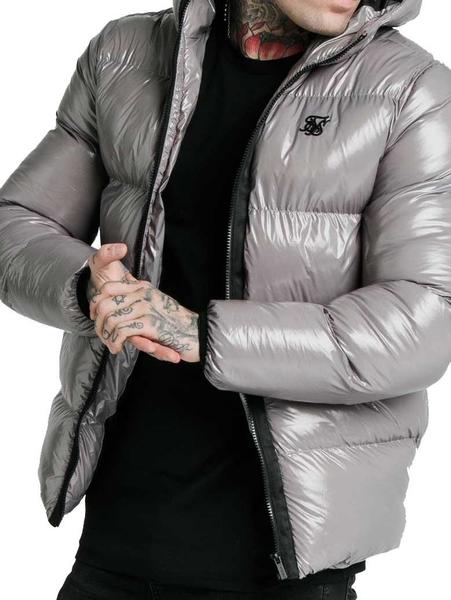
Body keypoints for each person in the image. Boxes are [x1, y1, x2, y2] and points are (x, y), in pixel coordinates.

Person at [1, 0, 451, 599]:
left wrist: (203, 335)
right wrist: (88, 285)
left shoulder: (411, 91)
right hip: (118, 537)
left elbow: (425, 319)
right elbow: (18, 222)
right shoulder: (125, 55)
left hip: (282, 563)